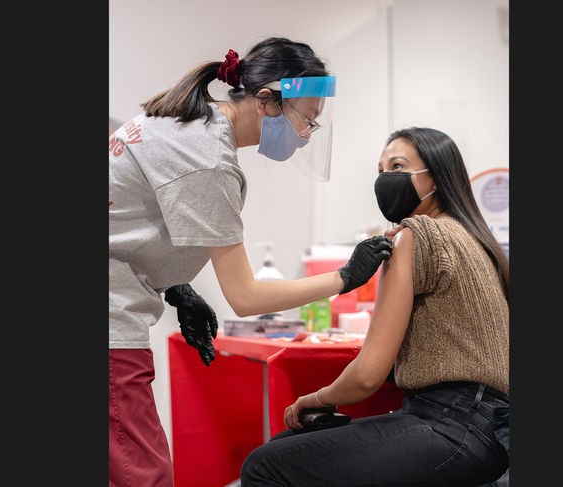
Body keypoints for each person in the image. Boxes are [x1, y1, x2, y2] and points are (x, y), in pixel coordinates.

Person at [108, 37, 393, 487]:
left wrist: (175, 286)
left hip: (118, 306)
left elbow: (129, 219)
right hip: (110, 326)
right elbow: (245, 297)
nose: (306, 135)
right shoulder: (206, 159)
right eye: (307, 120)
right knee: (141, 474)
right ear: (266, 100)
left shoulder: (185, 124)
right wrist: (343, 278)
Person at [240, 127, 510, 486]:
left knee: (265, 465)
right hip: (488, 427)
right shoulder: (478, 239)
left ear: (437, 176)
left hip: (452, 426)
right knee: (290, 447)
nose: (385, 179)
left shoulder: (416, 234)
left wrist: (316, 399)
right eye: (381, 170)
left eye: (397, 166)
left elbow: (368, 374)